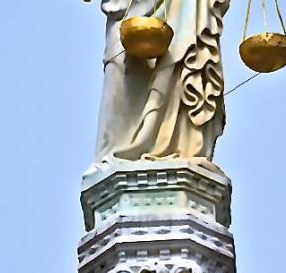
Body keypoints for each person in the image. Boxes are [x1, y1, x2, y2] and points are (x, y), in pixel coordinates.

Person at [93, 0, 229, 169]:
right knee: (119, 71)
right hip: (128, 8)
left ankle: (183, 143)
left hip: (184, 6)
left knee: (185, 61)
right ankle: (113, 155)